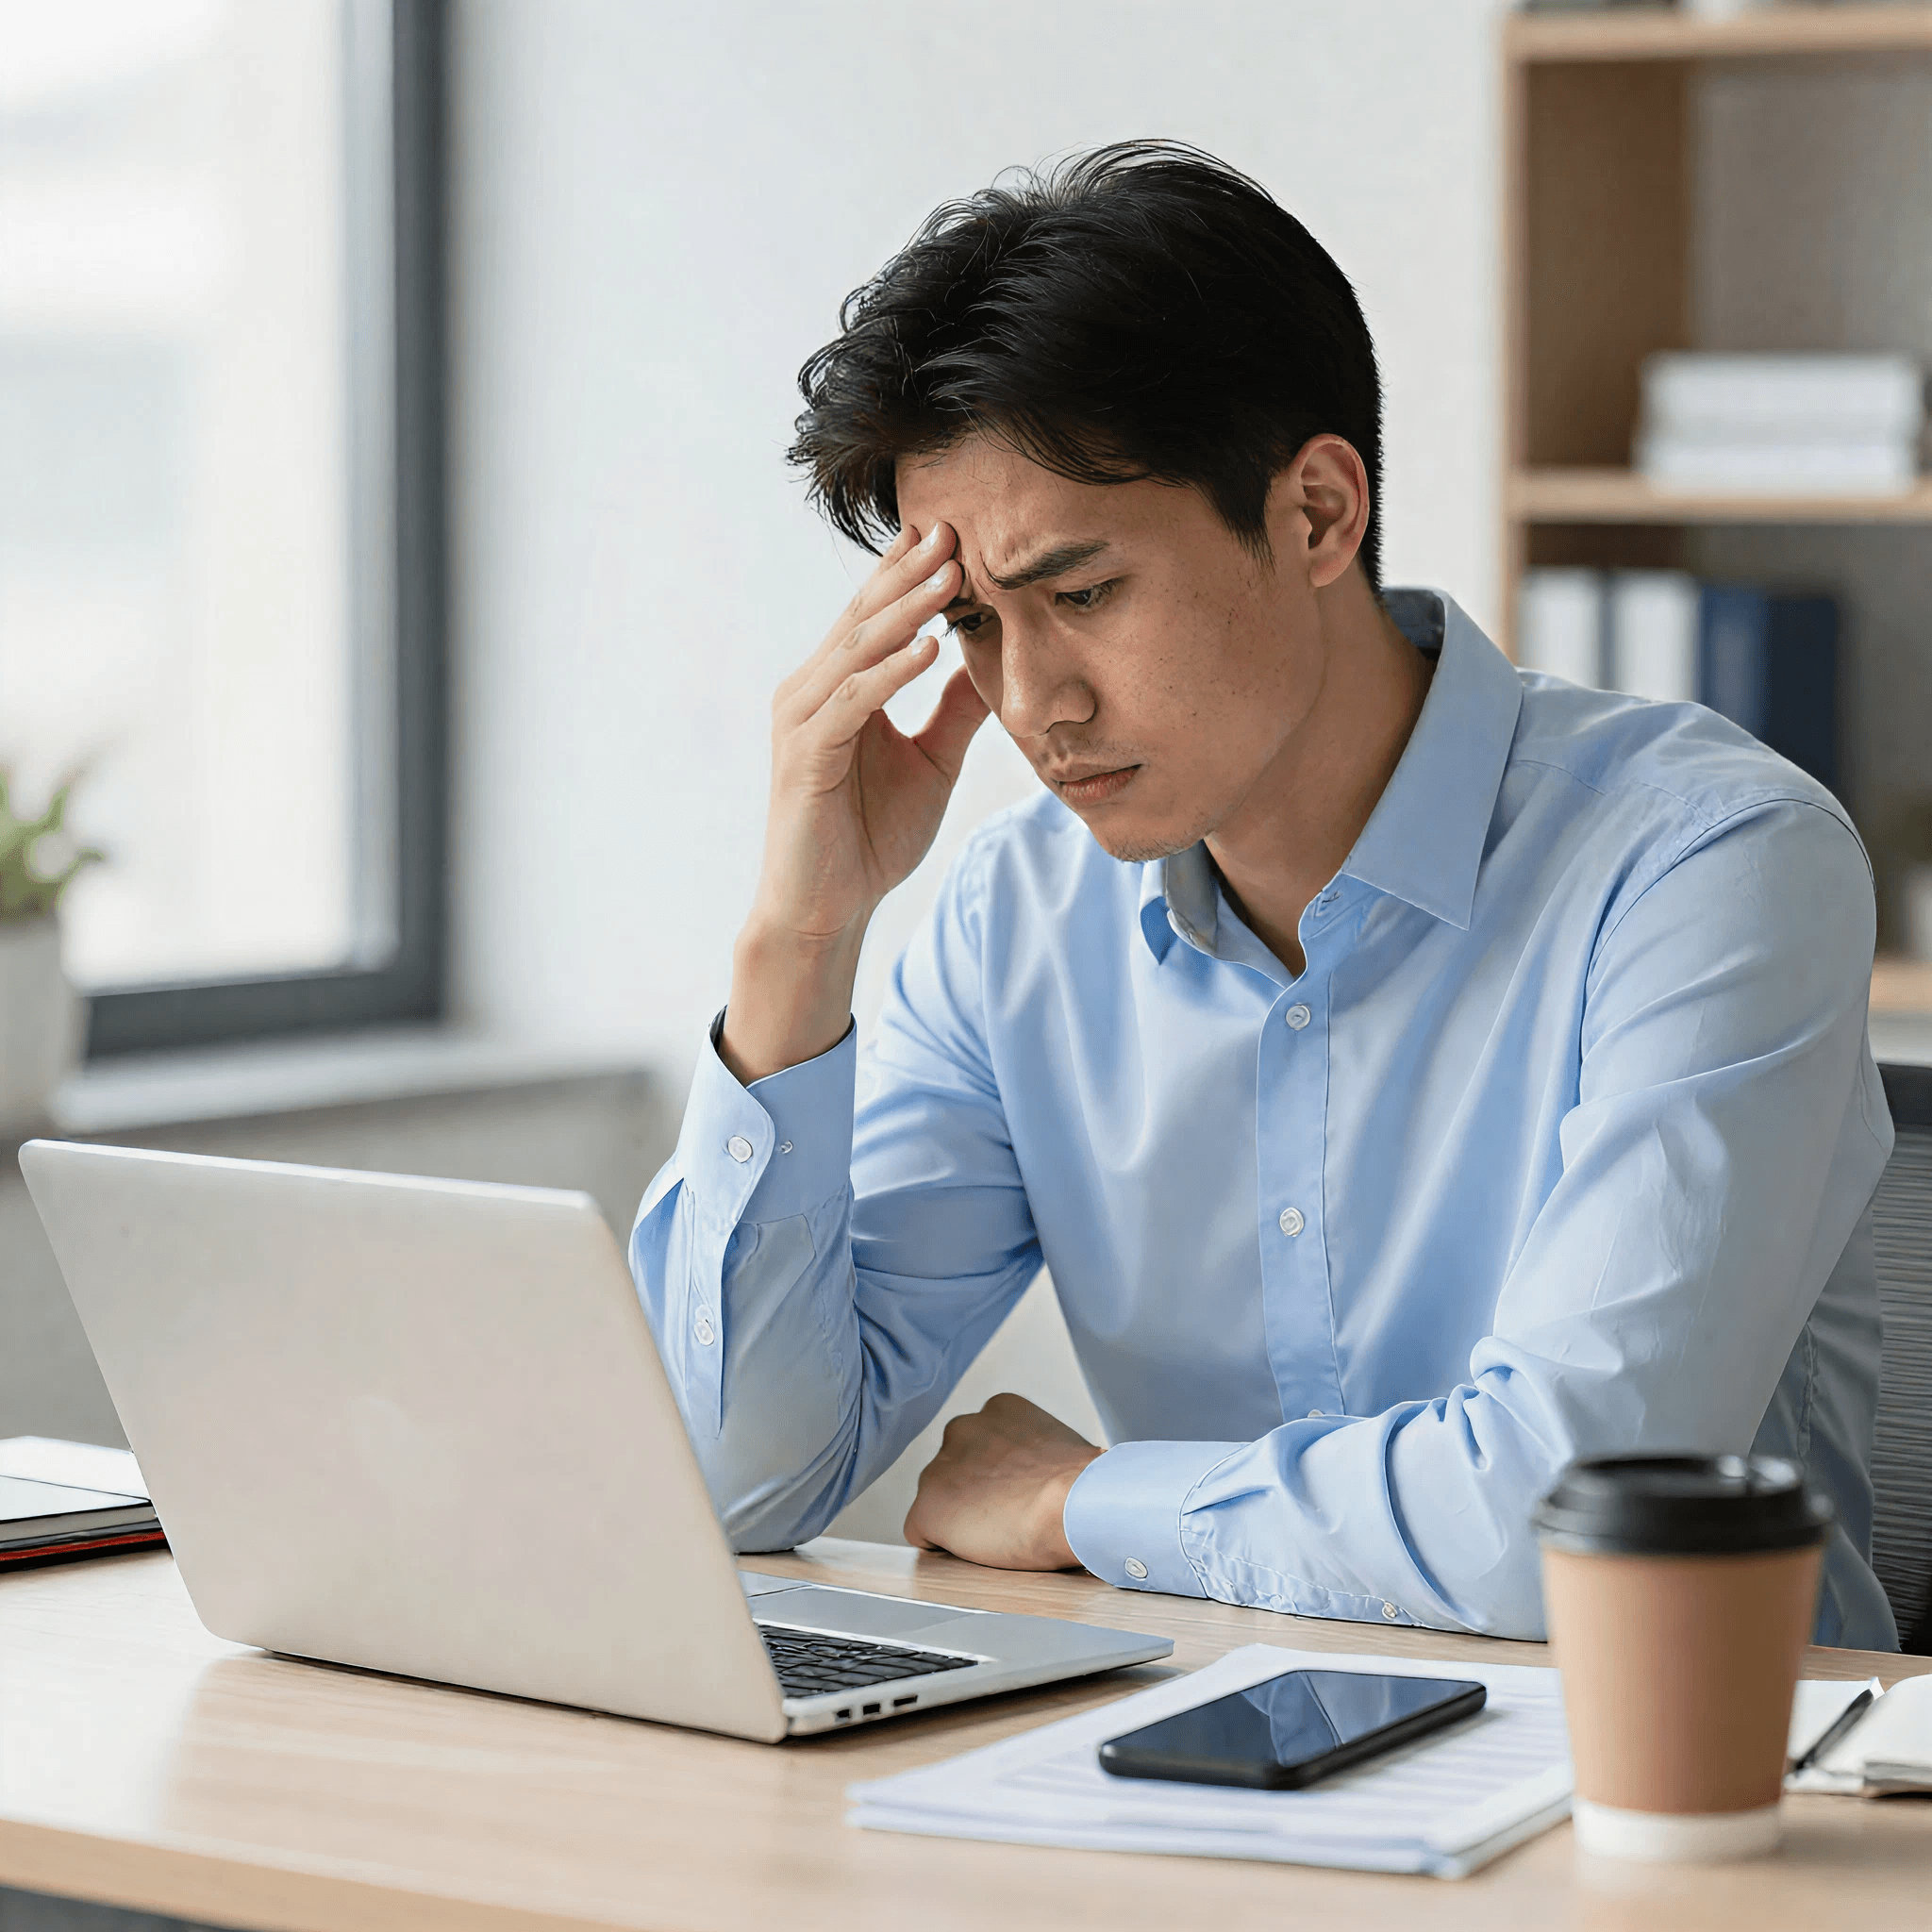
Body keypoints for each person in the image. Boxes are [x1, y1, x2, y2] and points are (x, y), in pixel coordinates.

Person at [631, 142, 1896, 1646]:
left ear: (1315, 514)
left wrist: (1080, 1503)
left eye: (1083, 596)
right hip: (1206, 1768)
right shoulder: (1015, 925)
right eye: (971, 621)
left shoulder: (1710, 867)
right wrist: (802, 940)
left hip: (1671, 1811)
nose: (1032, 701)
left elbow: (1558, 1527)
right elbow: (729, 1488)